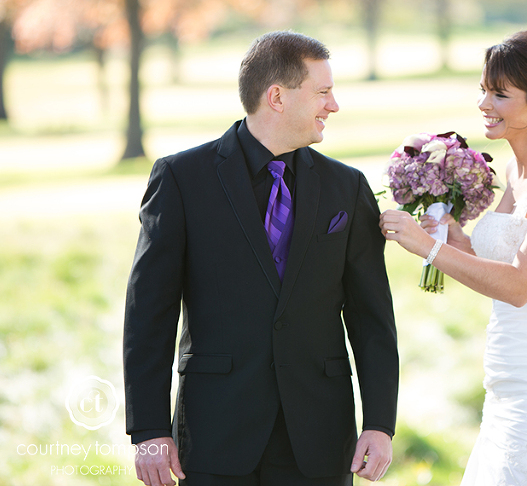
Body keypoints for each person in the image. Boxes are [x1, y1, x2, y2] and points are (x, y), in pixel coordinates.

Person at [123, 31, 399, 486]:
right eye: (324, 92)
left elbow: (372, 318)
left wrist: (379, 423)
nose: (333, 106)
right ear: (277, 97)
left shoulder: (346, 187)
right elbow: (148, 313)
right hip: (215, 434)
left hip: (320, 438)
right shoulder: (181, 179)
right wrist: (149, 430)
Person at [379, 30, 527, 484]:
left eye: (500, 94)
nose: (485, 104)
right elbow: (496, 257)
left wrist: (428, 248)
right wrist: (450, 233)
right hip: (507, 379)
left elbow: (520, 284)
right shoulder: (515, 170)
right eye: (483, 90)